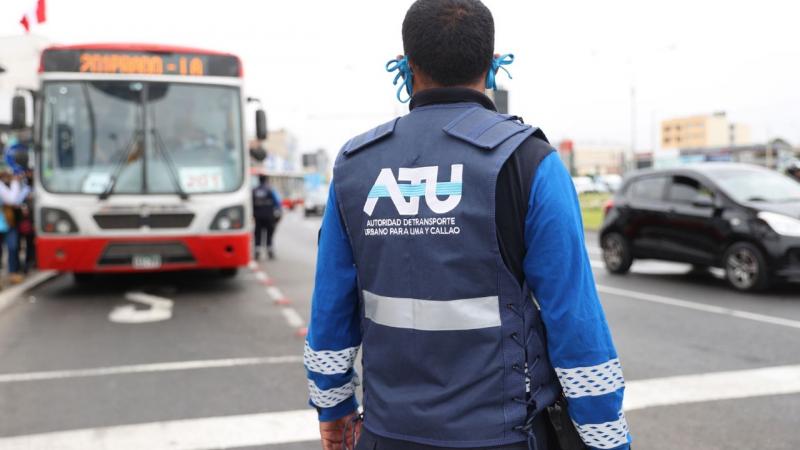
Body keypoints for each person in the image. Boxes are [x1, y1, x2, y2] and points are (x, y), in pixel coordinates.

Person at [304, 1, 631, 450]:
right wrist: (607, 437)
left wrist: (333, 405)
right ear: (493, 65)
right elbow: (575, 320)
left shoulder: (355, 165)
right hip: (504, 436)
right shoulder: (528, 161)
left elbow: (330, 309)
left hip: (386, 434)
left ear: (406, 66)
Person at [252, 175, 282, 260]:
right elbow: (278, 203)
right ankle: (270, 252)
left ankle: (257, 252)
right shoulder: (270, 190)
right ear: (266, 180)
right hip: (269, 216)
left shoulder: (254, 190)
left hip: (257, 217)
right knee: (269, 234)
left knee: (258, 234)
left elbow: (251, 203)